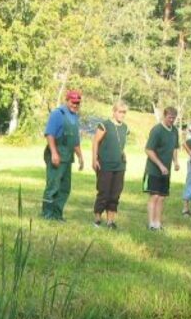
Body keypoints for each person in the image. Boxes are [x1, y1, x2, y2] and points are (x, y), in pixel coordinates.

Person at [40, 89, 84, 221]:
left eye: (77, 103)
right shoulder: (57, 114)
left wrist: (80, 157)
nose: (75, 105)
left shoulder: (75, 117)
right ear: (67, 100)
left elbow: (75, 141)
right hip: (57, 155)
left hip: (67, 157)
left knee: (65, 187)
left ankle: (57, 214)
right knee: (53, 186)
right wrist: (54, 153)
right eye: (73, 102)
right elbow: (49, 134)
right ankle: (47, 214)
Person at [90, 101, 128, 230]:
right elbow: (95, 142)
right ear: (114, 112)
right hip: (105, 164)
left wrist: (123, 153)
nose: (122, 114)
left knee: (115, 193)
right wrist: (94, 159)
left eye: (124, 112)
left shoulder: (125, 127)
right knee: (104, 192)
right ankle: (97, 218)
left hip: (119, 166)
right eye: (120, 112)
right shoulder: (104, 125)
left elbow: (120, 143)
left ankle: (110, 221)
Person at [143, 106, 180, 232]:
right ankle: (151, 224)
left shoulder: (174, 131)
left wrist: (176, 162)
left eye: (174, 118)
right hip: (153, 170)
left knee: (162, 197)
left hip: (166, 171)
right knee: (154, 196)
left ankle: (158, 223)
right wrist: (160, 165)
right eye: (170, 117)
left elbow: (174, 147)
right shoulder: (157, 130)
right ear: (164, 116)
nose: (172, 120)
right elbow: (148, 150)